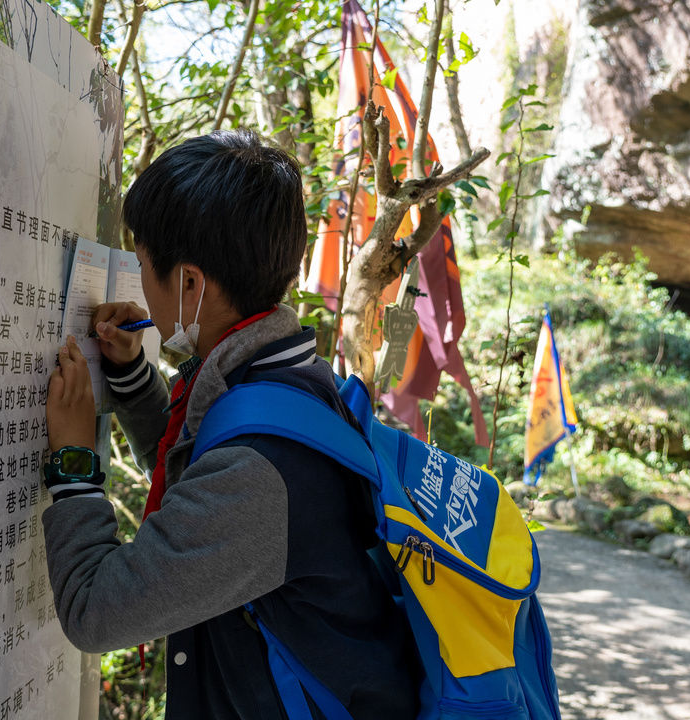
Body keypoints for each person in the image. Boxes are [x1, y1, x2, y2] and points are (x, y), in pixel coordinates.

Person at [43, 129, 421, 719]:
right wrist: (134, 381)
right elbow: (203, 477)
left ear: (190, 283)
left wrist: (73, 461)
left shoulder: (259, 472)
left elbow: (95, 611)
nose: (139, 283)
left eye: (142, 263)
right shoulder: (288, 378)